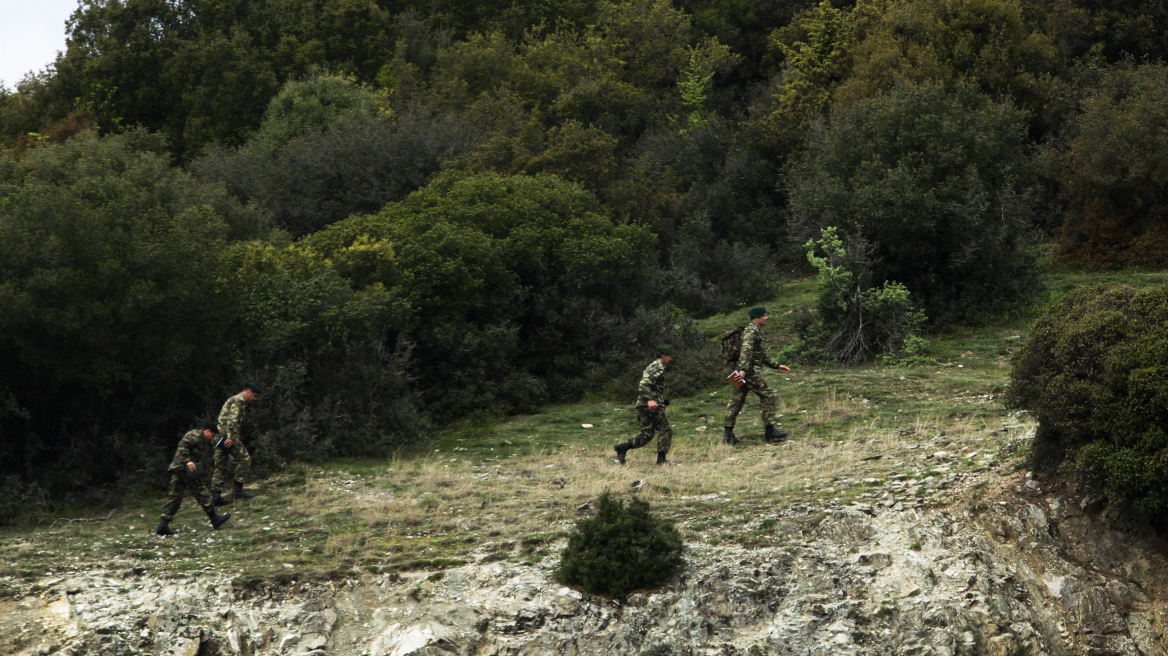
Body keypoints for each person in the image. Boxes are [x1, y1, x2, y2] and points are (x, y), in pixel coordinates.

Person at [724, 306, 791, 445]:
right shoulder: (751, 331)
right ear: (756, 318)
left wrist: (776, 365)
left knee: (736, 401)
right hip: (749, 372)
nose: (766, 317)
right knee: (767, 395)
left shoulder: (755, 330)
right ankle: (770, 431)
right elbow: (746, 350)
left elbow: (761, 354)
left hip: (743, 371)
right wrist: (744, 370)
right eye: (764, 315)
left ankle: (728, 435)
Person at [156, 422, 231, 536]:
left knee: (175, 497)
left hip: (181, 468)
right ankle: (214, 519)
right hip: (184, 468)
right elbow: (182, 447)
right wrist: (188, 461)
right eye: (212, 435)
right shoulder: (194, 435)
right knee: (201, 491)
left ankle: (163, 526)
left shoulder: (201, 440)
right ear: (208, 431)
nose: (212, 438)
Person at [614, 346, 674, 465]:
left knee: (647, 433)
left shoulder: (653, 366)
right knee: (665, 429)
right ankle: (661, 460)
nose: (670, 359)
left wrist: (661, 401)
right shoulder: (658, 366)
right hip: (650, 403)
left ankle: (623, 447)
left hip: (644, 403)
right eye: (669, 356)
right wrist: (650, 400)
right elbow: (644, 384)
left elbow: (653, 386)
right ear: (663, 356)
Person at [212, 382, 261, 506]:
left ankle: (216, 496)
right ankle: (238, 490)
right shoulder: (239, 402)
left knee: (220, 465)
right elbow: (232, 421)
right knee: (244, 459)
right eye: (254, 396)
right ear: (249, 392)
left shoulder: (233, 399)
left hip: (218, 436)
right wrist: (232, 438)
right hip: (226, 436)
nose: (254, 399)